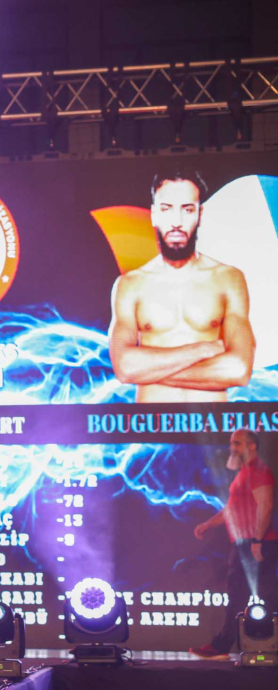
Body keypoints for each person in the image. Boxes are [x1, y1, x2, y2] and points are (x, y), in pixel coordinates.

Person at [109, 170, 255, 402]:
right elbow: (125, 368)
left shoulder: (228, 279)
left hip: (211, 422)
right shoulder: (130, 285)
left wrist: (150, 372)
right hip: (152, 423)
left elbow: (239, 369)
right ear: (154, 215)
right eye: (167, 209)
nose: (176, 222)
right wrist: (202, 350)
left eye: (187, 210)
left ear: (200, 214)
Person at [190, 429, 278, 659]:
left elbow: (266, 505)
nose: (232, 448)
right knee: (242, 597)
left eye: (237, 443)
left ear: (252, 446)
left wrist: (257, 540)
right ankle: (221, 646)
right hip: (245, 544)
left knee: (256, 597)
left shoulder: (259, 471)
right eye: (232, 443)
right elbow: (230, 509)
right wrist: (208, 524)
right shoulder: (244, 473)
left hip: (255, 543)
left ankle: (221, 646)